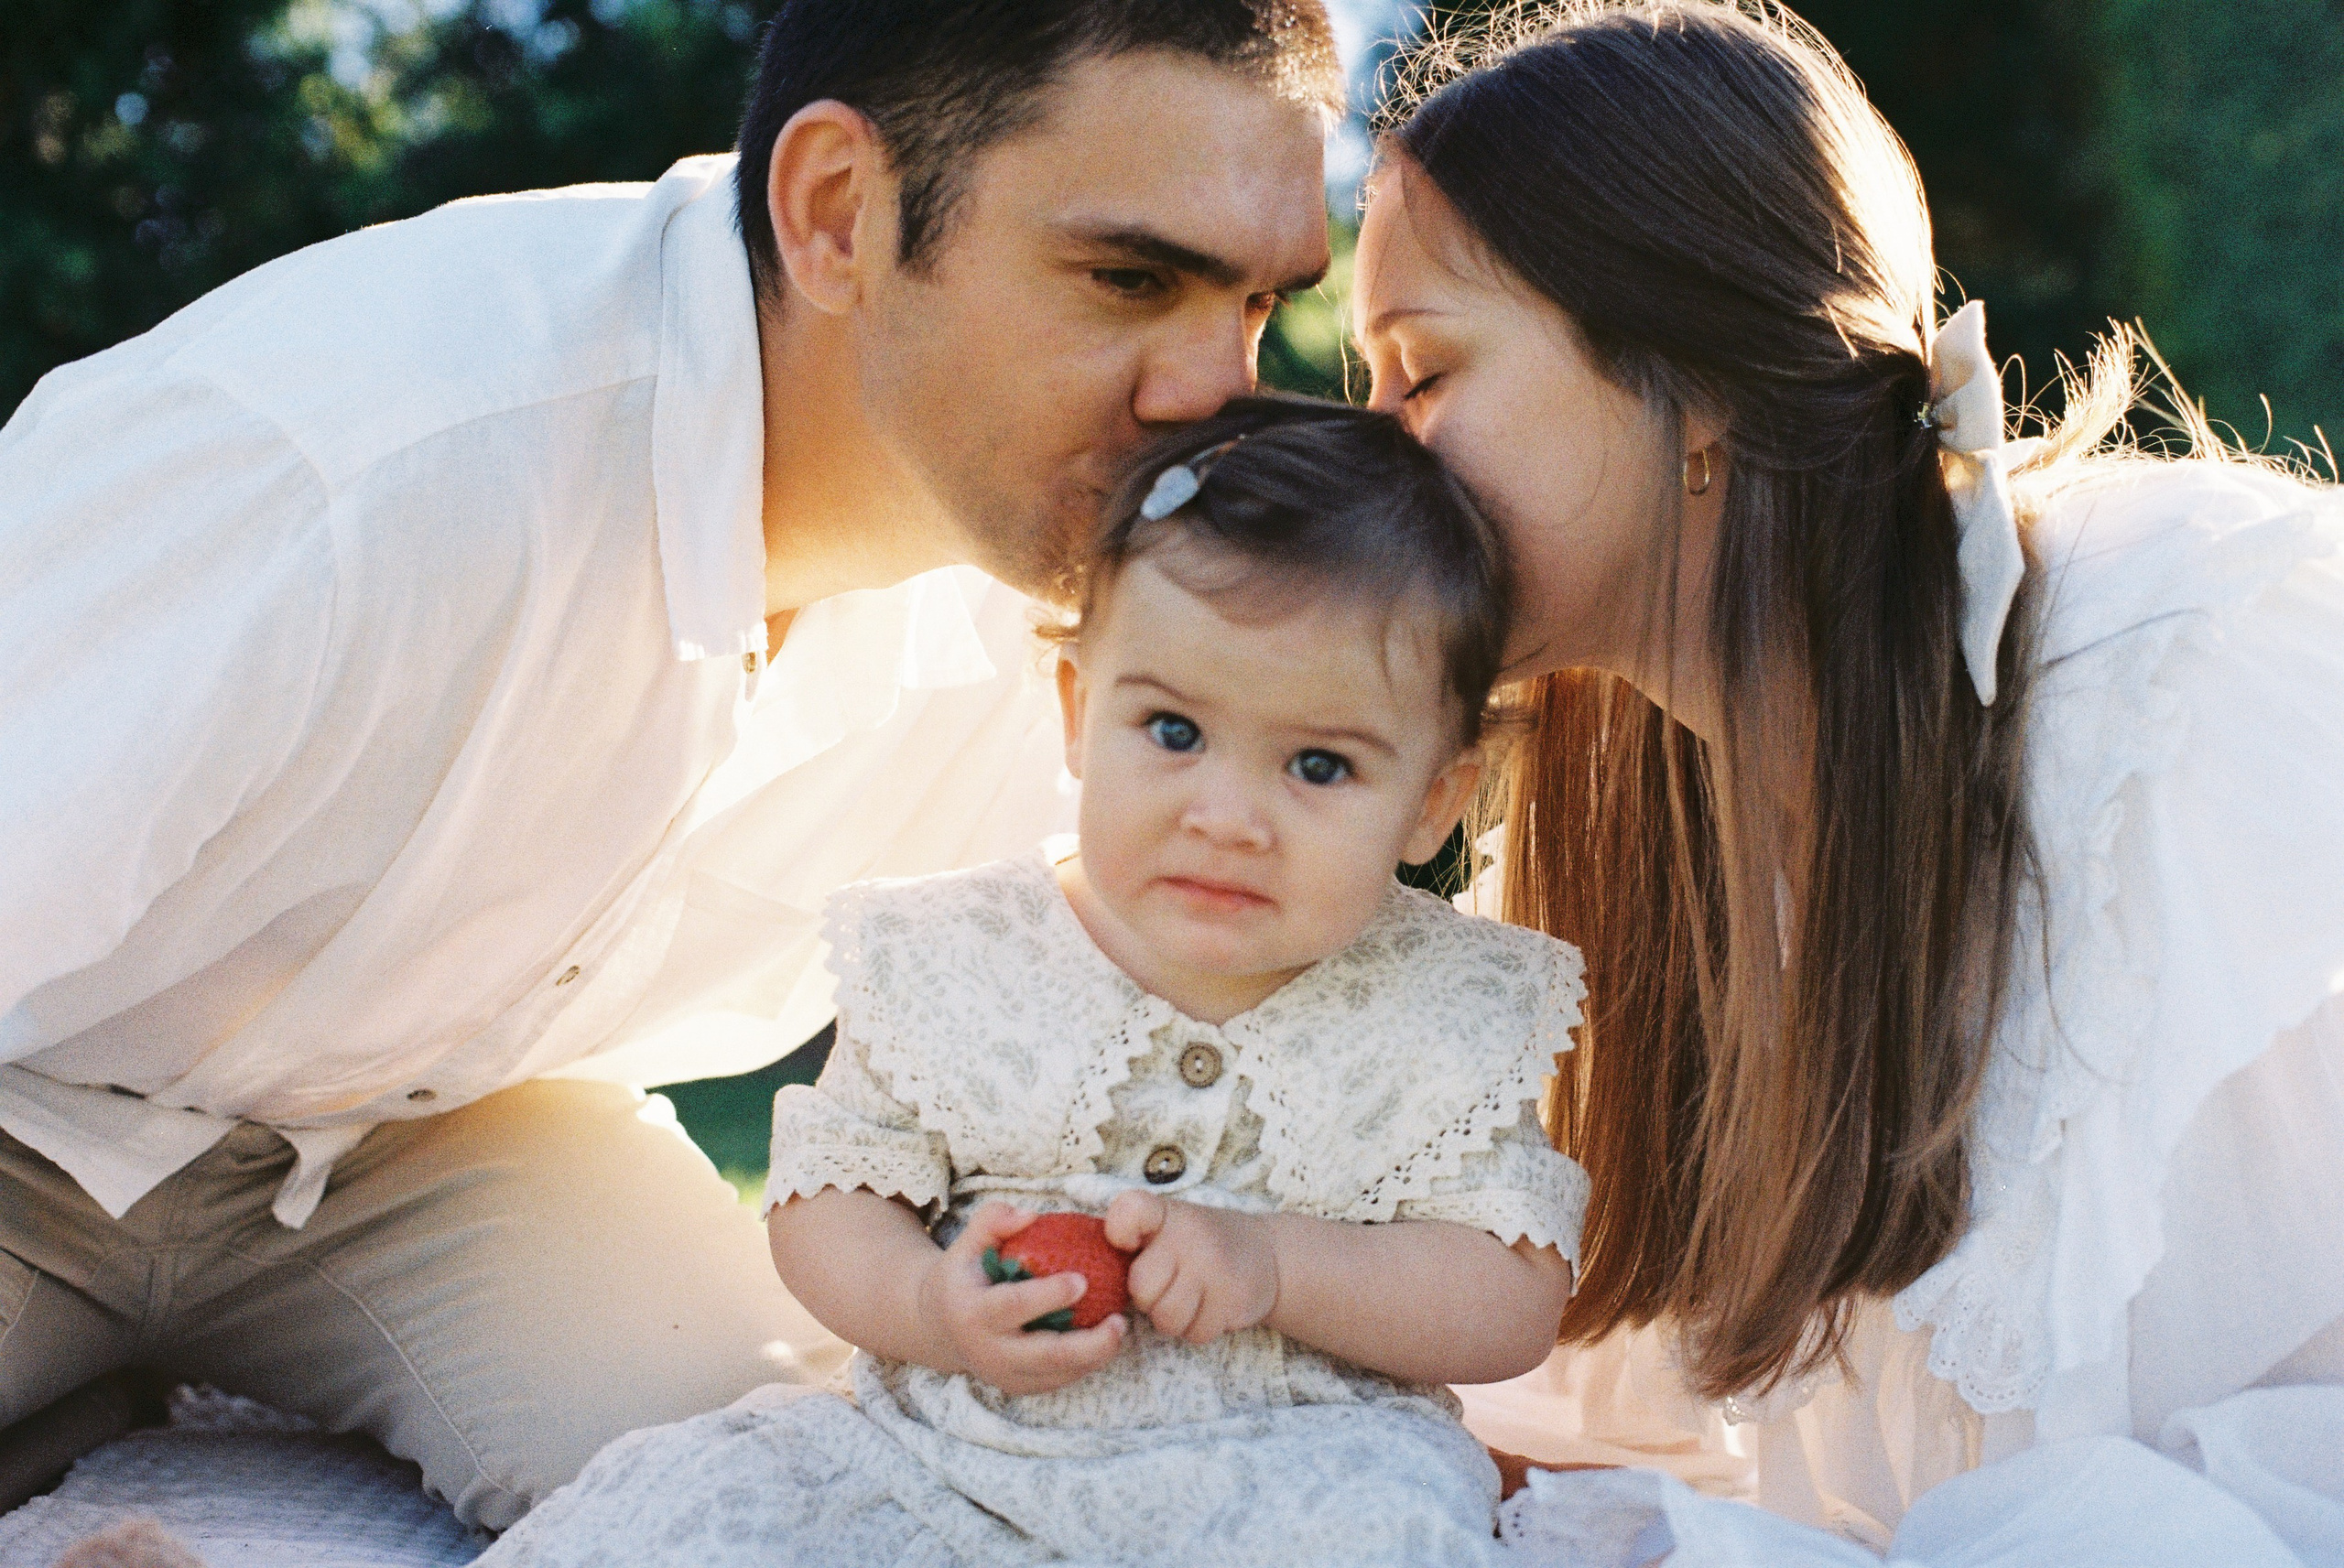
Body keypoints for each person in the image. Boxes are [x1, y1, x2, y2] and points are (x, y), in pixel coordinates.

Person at [0, 0, 1341, 1530]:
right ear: (839, 212)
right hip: (26, 1112)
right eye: (1128, 276)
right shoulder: (345, 464)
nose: (1209, 389)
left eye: (1251, 304)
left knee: (813, 1490)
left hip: (447, 1138)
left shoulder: (1082, 598)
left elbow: (1085, 1101)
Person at [1350, 3, 2344, 1563]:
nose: (1376, 455)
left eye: (1420, 373)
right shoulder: (1651, 852)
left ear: (1695, 381)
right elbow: (1591, 1437)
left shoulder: (2198, 681)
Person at [472, 400, 1589, 1568]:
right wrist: (929, 1306)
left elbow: (1504, 1298)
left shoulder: (1440, 1008)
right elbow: (831, 1194)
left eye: (1318, 765)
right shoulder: (965, 954)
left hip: (1288, 1472)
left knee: (1385, 1535)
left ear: (1431, 802)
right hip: (950, 1457)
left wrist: (1275, 1268)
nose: (1225, 815)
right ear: (1074, 711)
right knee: (707, 1515)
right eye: (1170, 730)